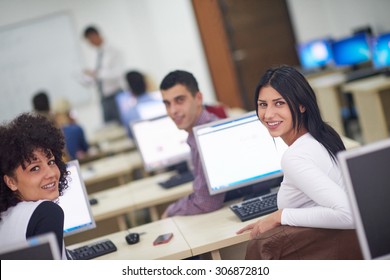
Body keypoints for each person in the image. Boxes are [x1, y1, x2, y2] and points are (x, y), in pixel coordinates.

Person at [236, 65, 357, 258]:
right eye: (263, 104)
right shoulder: (322, 135)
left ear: (301, 105)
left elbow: (348, 214)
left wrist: (281, 216)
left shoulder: (295, 157)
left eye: (279, 103)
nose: (268, 115)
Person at [0, 113, 70, 259]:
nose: (50, 173)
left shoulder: (6, 218)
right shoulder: (46, 213)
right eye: (35, 168)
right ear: (11, 182)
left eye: (51, 162)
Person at [160, 70, 225, 218]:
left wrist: (171, 210)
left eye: (180, 100)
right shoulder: (198, 132)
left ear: (199, 98)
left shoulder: (208, 135)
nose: (173, 111)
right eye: (167, 104)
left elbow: (206, 202)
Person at [83, 25, 124, 124]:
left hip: (115, 95)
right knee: (109, 126)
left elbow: (118, 73)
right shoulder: (94, 55)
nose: (90, 43)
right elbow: (95, 76)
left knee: (121, 123)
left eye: (90, 40)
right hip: (103, 97)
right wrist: (88, 79)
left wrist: (97, 74)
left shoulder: (114, 51)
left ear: (95, 35)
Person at [119, 70, 165, 138]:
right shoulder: (163, 103)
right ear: (146, 83)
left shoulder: (129, 114)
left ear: (129, 89)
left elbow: (131, 137)